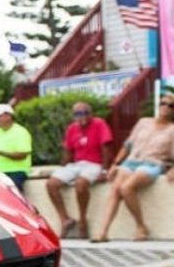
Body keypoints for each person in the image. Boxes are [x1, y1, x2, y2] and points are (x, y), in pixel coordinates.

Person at [93, 93, 174, 242]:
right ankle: (103, 232)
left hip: (153, 163)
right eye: (163, 103)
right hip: (131, 161)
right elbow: (128, 145)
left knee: (127, 188)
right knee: (116, 189)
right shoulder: (144, 122)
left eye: (171, 105)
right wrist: (115, 164)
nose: (166, 107)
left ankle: (141, 226)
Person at [45, 101, 113, 239]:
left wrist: (105, 170)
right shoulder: (72, 128)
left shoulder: (99, 124)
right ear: (73, 115)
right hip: (77, 164)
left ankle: (82, 220)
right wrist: (62, 167)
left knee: (81, 185)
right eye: (77, 113)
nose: (81, 116)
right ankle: (65, 219)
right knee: (51, 184)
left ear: (91, 113)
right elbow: (68, 152)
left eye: (85, 113)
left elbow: (106, 148)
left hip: (94, 164)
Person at [0, 103, 32, 192]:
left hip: (15, 172)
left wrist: (0, 153)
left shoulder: (21, 132)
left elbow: (22, 155)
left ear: (9, 116)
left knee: (11, 194)